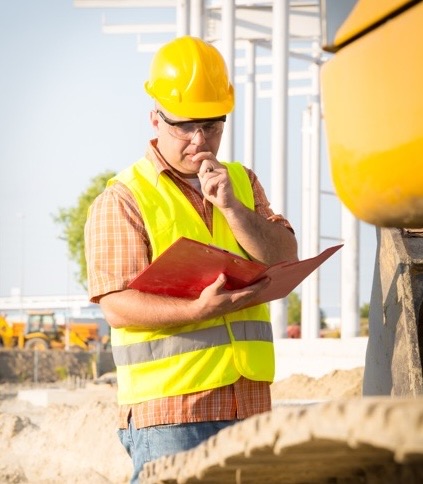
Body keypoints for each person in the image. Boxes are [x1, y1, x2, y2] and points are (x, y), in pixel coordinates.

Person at [84, 35, 298, 483]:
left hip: (249, 404)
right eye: (185, 126)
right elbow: (116, 305)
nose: (200, 140)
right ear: (155, 118)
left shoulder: (240, 180)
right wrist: (198, 310)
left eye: (213, 125)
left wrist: (234, 209)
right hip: (172, 415)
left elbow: (285, 255)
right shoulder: (123, 198)